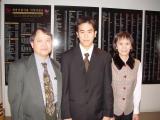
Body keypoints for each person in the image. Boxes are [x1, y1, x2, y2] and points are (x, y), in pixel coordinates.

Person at [61, 16, 113, 120]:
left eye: (89, 32)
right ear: (77, 34)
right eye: (82, 32)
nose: (86, 36)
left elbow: (107, 88)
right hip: (74, 114)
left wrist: (108, 114)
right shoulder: (66, 57)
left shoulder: (105, 57)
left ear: (95, 33)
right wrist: (66, 115)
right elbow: (64, 89)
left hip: (98, 114)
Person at [8, 28, 62, 120]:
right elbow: (16, 104)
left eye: (48, 40)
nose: (44, 45)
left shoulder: (58, 66)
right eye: (40, 41)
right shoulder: (18, 67)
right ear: (32, 44)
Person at [111, 31, 142, 120]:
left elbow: (137, 88)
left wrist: (136, 111)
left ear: (131, 46)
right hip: (112, 111)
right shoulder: (109, 63)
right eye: (120, 43)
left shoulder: (137, 64)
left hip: (129, 111)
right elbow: (105, 89)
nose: (124, 47)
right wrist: (107, 112)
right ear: (116, 46)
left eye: (127, 43)